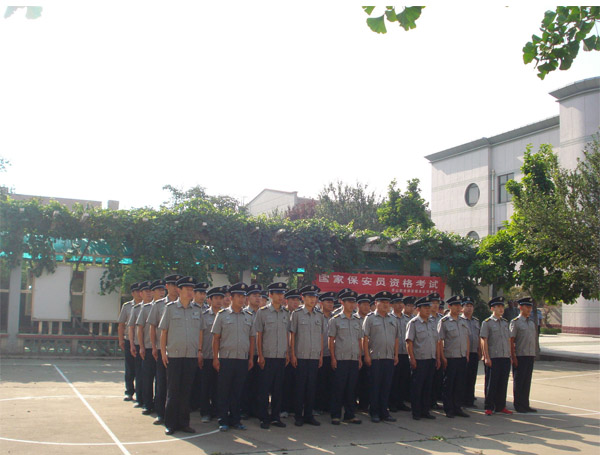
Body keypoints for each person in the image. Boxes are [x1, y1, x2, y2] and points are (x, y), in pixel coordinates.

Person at [159, 276, 204, 435]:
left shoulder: (197, 310)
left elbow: (200, 331)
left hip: (190, 356)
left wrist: (199, 350)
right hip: (174, 355)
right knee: (173, 391)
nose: (191, 292)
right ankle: (170, 424)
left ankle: (184, 423)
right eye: (188, 289)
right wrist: (163, 352)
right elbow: (164, 331)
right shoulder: (170, 308)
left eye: (192, 290)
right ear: (179, 290)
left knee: (186, 391)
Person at [211, 282, 255, 432]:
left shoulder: (248, 316)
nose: (242, 299)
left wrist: (250, 358)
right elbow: (216, 338)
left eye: (243, 296)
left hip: (242, 359)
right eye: (238, 296)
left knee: (238, 391)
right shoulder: (222, 315)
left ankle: (236, 420)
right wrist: (215, 358)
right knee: (224, 390)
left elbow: (252, 339)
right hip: (226, 359)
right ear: (231, 298)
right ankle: (223, 419)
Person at [253, 281, 290, 429]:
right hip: (267, 356)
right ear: (270, 295)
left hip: (281, 356)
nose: (281, 296)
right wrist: (260, 355)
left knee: (278, 389)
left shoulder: (286, 313)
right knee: (264, 389)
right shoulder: (262, 312)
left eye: (282, 294)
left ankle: (275, 417)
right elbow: (259, 335)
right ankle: (263, 417)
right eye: (278, 294)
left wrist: (287, 352)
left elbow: (287, 334)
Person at [147, 274, 181, 425]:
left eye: (178, 285)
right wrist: (154, 347)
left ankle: (176, 414)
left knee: (177, 384)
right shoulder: (159, 305)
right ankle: (160, 413)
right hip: (163, 349)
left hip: (179, 350)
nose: (175, 288)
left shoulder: (186, 305)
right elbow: (152, 326)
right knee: (161, 381)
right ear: (167, 287)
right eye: (173, 285)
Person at [290, 284, 325, 427]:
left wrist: (321, 355)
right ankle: (298, 416)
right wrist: (292, 354)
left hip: (314, 356)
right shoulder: (297, 314)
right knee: (300, 387)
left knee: (311, 387)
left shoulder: (319, 315)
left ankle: (309, 415)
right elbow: (293, 335)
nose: (313, 299)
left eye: (315, 297)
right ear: (303, 298)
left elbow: (321, 336)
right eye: (310, 297)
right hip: (301, 356)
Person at [363, 290, 399, 423]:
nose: (385, 305)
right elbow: (365, 338)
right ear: (376, 303)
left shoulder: (393, 319)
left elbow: (396, 338)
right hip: (375, 358)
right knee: (375, 386)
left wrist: (396, 355)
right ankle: (374, 412)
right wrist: (367, 355)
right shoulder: (370, 318)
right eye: (382, 302)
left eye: (387, 302)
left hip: (389, 357)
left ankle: (384, 412)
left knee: (386, 386)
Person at [328, 290, 363, 425]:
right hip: (340, 359)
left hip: (353, 358)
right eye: (349, 302)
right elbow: (331, 340)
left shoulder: (357, 320)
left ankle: (350, 414)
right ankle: (335, 415)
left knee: (351, 388)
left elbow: (359, 340)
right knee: (339, 388)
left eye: (353, 302)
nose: (351, 305)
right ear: (342, 302)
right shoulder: (335, 320)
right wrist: (333, 358)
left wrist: (359, 357)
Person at [406, 296, 440, 420]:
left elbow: (436, 341)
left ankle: (425, 410)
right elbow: (409, 342)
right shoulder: (413, 323)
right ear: (418, 309)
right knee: (417, 387)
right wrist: (412, 358)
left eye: (428, 307)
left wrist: (437, 358)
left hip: (431, 358)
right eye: (425, 307)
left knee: (428, 386)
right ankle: (416, 412)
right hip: (419, 360)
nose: (428, 310)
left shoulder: (432, 323)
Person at [136, 279, 166, 415]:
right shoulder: (146, 308)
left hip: (162, 349)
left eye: (163, 290)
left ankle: (159, 405)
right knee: (148, 377)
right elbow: (140, 328)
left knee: (161, 380)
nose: (162, 292)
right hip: (149, 347)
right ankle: (147, 404)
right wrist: (141, 346)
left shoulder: (167, 306)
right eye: (159, 290)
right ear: (153, 292)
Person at [437, 295, 470, 418]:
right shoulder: (444, 321)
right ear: (449, 306)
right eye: (455, 305)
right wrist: (442, 357)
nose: (458, 307)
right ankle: (449, 408)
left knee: (460, 384)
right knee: (449, 384)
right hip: (450, 357)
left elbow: (466, 338)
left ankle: (457, 407)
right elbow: (439, 341)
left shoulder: (463, 321)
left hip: (462, 356)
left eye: (459, 305)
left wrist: (467, 354)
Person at [480, 296, 513, 416]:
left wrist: (510, 355)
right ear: (492, 308)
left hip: (505, 357)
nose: (501, 309)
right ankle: (489, 406)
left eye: (502, 306)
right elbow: (484, 340)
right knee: (491, 383)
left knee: (503, 383)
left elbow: (508, 340)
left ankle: (501, 406)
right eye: (498, 306)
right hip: (493, 357)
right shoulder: (487, 323)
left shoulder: (505, 322)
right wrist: (486, 357)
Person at [199, 286, 224, 423]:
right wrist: (199, 351)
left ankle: (216, 410)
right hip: (207, 355)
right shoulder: (204, 315)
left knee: (219, 386)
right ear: (209, 300)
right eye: (216, 298)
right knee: (205, 386)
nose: (219, 301)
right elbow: (200, 334)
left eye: (221, 298)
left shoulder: (225, 315)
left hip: (221, 357)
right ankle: (205, 412)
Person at [510, 297, 537, 413]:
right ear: (520, 307)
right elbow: (511, 340)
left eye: (530, 307)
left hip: (530, 355)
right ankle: (518, 404)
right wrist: (513, 356)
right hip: (520, 355)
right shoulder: (515, 322)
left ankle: (525, 404)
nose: (529, 309)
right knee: (519, 381)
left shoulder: (531, 322)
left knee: (527, 381)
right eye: (527, 307)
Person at [128, 280, 152, 408]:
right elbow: (131, 327)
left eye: (150, 291)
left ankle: (151, 401)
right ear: (141, 293)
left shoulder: (157, 307)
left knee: (151, 376)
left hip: (153, 345)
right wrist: (132, 344)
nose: (149, 293)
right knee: (140, 373)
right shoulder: (137, 308)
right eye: (146, 291)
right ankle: (140, 399)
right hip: (139, 345)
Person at [241, 283, 262, 419]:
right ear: (248, 298)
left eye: (259, 296)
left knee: (258, 384)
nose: (258, 298)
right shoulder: (243, 313)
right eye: (254, 295)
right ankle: (244, 409)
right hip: (247, 354)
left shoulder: (263, 313)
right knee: (245, 383)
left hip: (259, 355)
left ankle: (256, 409)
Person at [117, 282, 141, 402]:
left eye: (141, 291)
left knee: (140, 369)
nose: (139, 293)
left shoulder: (147, 306)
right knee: (130, 367)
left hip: (141, 341)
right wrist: (121, 339)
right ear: (133, 293)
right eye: (137, 291)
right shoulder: (127, 306)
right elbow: (121, 324)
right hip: (129, 340)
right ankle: (129, 391)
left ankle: (140, 393)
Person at [281, 288, 301, 417]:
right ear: (286, 301)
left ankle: (294, 407)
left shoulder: (300, 314)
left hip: (297, 353)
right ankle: (283, 408)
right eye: (293, 299)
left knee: (296, 382)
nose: (296, 302)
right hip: (283, 353)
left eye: (297, 300)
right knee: (284, 382)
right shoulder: (283, 314)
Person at [190, 282, 209, 411]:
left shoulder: (208, 310)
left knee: (203, 380)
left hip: (206, 350)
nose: (202, 296)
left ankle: (200, 404)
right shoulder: (190, 308)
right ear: (194, 294)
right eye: (200, 293)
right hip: (192, 349)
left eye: (204, 293)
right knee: (191, 379)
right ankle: (191, 404)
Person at [460, 296, 481, 408]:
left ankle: (470, 399)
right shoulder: (460, 320)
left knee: (472, 377)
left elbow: (478, 337)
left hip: (474, 352)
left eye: (471, 306)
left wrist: (480, 351)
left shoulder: (476, 321)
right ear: (462, 308)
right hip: (463, 353)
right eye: (467, 306)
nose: (469, 308)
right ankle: (462, 399)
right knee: (463, 377)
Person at [315, 291, 335, 415]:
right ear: (321, 303)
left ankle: (327, 406)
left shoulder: (335, 317)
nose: (331, 304)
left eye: (332, 302)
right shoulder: (317, 316)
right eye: (328, 302)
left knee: (330, 382)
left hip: (331, 354)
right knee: (319, 382)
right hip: (319, 354)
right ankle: (317, 406)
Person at [388, 292, 406, 412]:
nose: (400, 305)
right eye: (397, 303)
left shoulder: (408, 318)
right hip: (393, 353)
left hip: (405, 353)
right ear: (392, 305)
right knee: (393, 380)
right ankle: (392, 403)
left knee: (403, 380)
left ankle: (401, 402)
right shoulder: (390, 318)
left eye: (401, 303)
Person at [355, 293, 372, 412]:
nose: (366, 307)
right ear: (358, 305)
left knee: (366, 381)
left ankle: (364, 405)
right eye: (364, 305)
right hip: (355, 355)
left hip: (368, 355)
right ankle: (352, 404)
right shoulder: (353, 318)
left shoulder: (371, 319)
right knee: (354, 382)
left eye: (368, 305)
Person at [428, 292, 444, 409]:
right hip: (426, 353)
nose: (435, 305)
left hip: (438, 352)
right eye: (433, 303)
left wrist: (440, 356)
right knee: (427, 380)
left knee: (437, 379)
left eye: (437, 303)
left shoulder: (442, 319)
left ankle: (433, 401)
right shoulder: (425, 318)